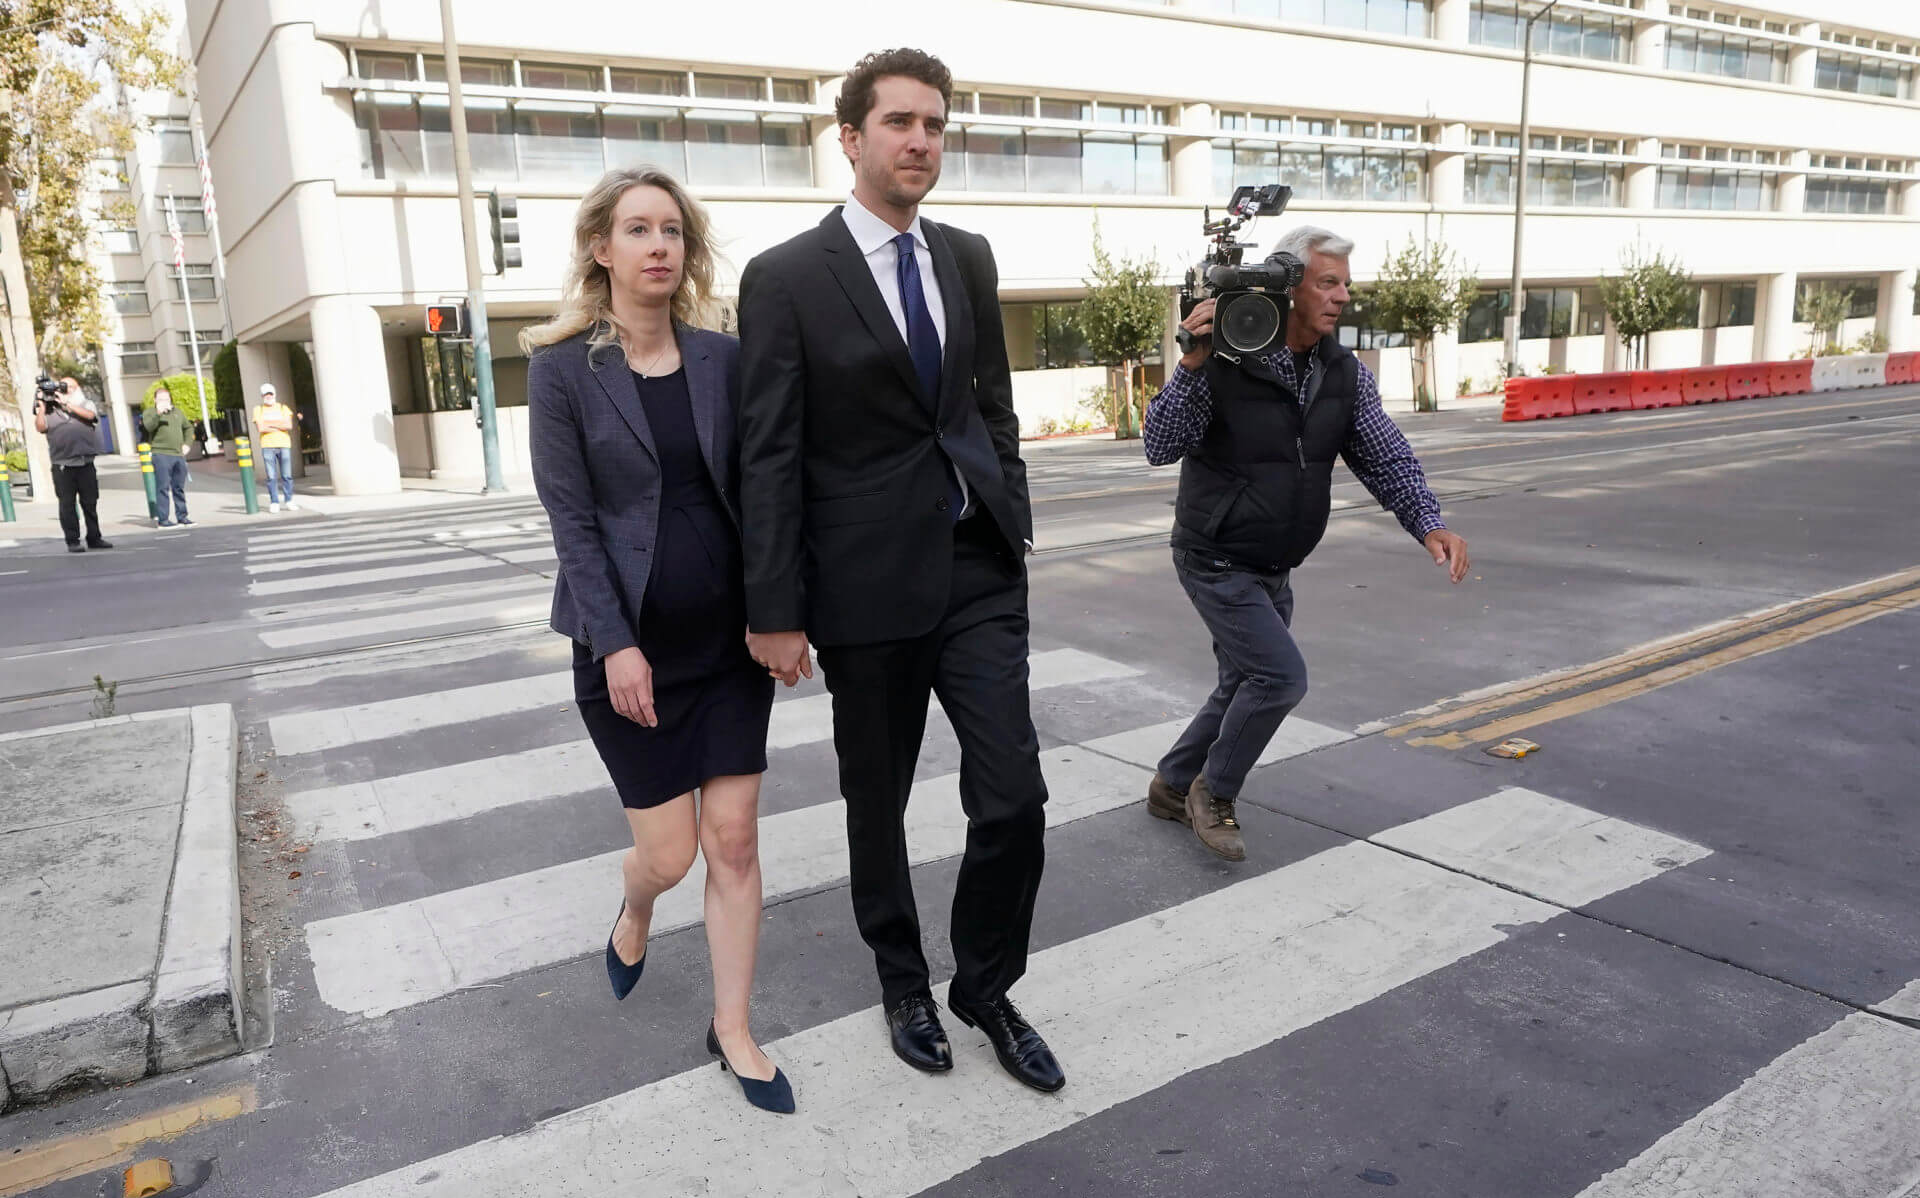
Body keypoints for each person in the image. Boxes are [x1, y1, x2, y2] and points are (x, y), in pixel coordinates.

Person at [738, 49, 1063, 1094]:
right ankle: (902, 979)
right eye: (900, 123)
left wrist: (1008, 503)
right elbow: (770, 453)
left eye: (934, 123)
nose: (921, 140)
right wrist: (775, 608)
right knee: (874, 802)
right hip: (864, 587)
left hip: (976, 568)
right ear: (851, 138)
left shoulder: (966, 254)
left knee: (1012, 792)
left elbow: (989, 402)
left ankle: (985, 982)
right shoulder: (786, 276)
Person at [524, 167, 793, 1115]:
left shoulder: (724, 357)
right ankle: (635, 909)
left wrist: (783, 611)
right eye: (637, 229)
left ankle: (733, 1029)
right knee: (671, 856)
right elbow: (573, 522)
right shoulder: (560, 372)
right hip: (630, 653)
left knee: (735, 841)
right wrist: (616, 644)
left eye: (672, 230)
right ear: (603, 248)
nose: (658, 246)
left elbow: (765, 491)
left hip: (727, 649)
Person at [1141, 225, 1471, 860]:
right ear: (1287, 288)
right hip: (1214, 555)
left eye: (1346, 282)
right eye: (1328, 282)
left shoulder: (1341, 372)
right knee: (1278, 676)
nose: (1344, 296)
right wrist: (1190, 359)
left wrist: (1429, 522)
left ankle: (1172, 782)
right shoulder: (1224, 362)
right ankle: (1214, 793)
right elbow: (1160, 444)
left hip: (1274, 562)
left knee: (1242, 680)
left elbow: (1385, 457)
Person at [34, 376, 113, 553]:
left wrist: (67, 405)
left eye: (69, 386)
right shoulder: (48, 408)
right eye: (62, 387)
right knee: (67, 504)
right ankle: (72, 541)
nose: (65, 390)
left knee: (90, 502)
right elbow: (40, 427)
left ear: (77, 388)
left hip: (85, 462)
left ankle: (94, 538)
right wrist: (41, 408)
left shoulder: (86, 404)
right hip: (62, 465)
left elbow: (91, 416)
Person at [146, 387, 195, 527]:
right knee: (163, 487)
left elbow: (188, 427)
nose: (164, 402)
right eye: (161, 399)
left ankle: (182, 516)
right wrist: (158, 413)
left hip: (178, 454)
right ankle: (163, 519)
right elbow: (148, 427)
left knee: (178, 487)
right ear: (155, 400)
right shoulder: (150, 413)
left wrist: (187, 444)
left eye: (167, 399)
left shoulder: (177, 412)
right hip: (161, 454)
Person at [252, 383, 298, 512]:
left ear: (274, 394)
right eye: (266, 394)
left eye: (270, 394)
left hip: (284, 444)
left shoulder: (283, 408)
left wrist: (269, 424)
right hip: (267, 446)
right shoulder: (258, 409)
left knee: (287, 475)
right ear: (262, 396)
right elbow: (261, 428)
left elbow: (288, 425)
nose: (268, 397)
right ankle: (274, 502)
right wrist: (279, 424)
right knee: (271, 476)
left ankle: (289, 500)